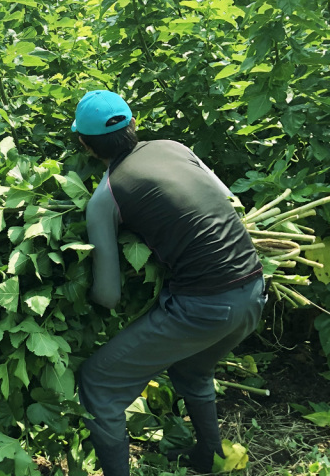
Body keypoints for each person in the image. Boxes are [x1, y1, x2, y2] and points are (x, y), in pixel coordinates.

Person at [71, 90, 267, 476]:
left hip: (206, 307)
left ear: (84, 144)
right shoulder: (173, 146)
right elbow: (228, 200)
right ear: (133, 124)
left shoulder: (105, 197)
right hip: (254, 290)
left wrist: (82, 295)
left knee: (98, 383)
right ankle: (208, 456)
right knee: (191, 370)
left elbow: (108, 297)